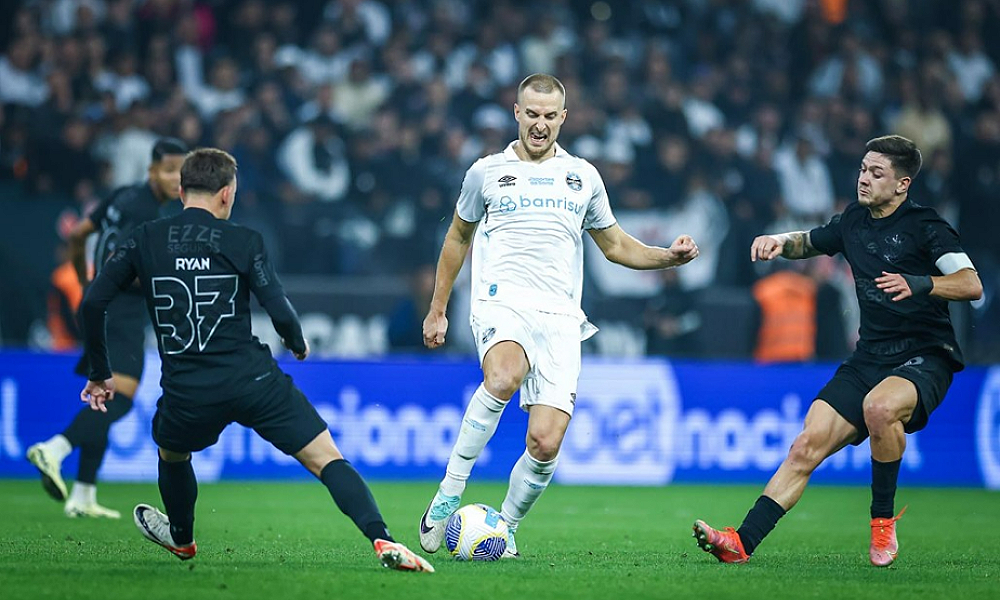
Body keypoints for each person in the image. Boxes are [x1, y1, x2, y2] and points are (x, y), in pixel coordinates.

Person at [76, 148, 433, 572]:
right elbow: (278, 306)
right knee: (327, 458)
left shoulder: (144, 239)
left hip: (188, 390)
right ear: (226, 194)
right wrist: (295, 340)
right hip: (252, 379)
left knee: (172, 455)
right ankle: (382, 538)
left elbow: (93, 302)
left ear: (180, 190)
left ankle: (183, 538)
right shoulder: (243, 240)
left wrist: (100, 372)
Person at [417, 73, 700, 557]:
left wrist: (666, 257)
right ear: (517, 113)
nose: (540, 124)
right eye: (532, 114)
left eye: (550, 116)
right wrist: (438, 309)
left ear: (563, 118)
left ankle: (502, 529)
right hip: (502, 300)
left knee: (545, 444)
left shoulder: (583, 176)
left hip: (562, 317)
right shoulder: (486, 172)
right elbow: (457, 238)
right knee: (503, 376)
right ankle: (448, 494)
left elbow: (615, 246)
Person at [693, 135, 982, 567]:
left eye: (876, 173)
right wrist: (778, 240)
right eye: (863, 169)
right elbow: (808, 241)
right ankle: (741, 543)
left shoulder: (927, 227)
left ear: (902, 184)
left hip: (925, 355)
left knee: (880, 408)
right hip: (870, 357)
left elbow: (971, 284)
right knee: (805, 446)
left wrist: (920, 283)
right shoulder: (853, 222)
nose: (864, 179)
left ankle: (882, 522)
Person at [27, 137, 189, 519]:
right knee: (121, 396)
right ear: (151, 169)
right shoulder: (147, 211)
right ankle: (55, 449)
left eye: (179, 172)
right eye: (167, 170)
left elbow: (80, 233)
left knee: (101, 395)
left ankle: (83, 494)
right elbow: (123, 262)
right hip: (123, 311)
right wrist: (159, 281)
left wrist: (87, 286)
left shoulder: (121, 196)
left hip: (101, 304)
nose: (174, 179)